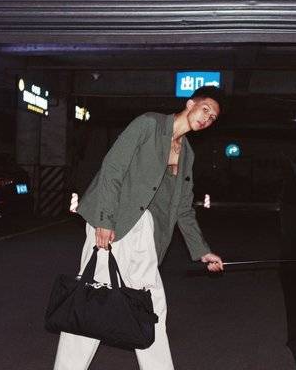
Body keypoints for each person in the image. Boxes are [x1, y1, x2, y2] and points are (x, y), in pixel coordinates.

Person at [53, 86, 226, 370]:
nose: (207, 118)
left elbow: (183, 208)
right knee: (92, 299)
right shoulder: (149, 124)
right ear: (190, 104)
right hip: (116, 221)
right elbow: (113, 168)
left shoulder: (187, 154)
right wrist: (105, 220)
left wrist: (202, 251)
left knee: (151, 308)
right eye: (205, 109)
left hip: (147, 233)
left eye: (213, 118)